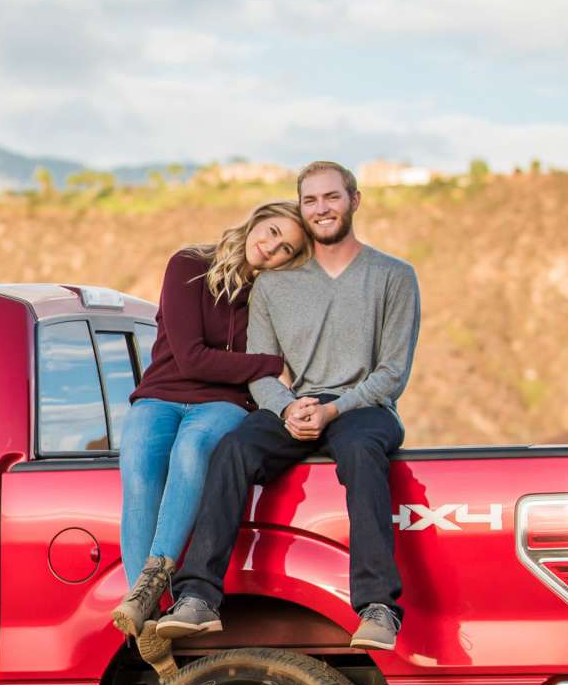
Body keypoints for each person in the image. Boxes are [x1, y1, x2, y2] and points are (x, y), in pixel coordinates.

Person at [154, 159, 422, 651]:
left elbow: (392, 373)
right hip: (290, 407)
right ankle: (196, 598)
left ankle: (377, 606)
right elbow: (262, 368)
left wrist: (332, 410)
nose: (322, 208)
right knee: (232, 450)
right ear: (302, 206)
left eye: (332, 197)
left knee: (362, 454)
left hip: (361, 408)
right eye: (311, 200)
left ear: (354, 200)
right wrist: (285, 409)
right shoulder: (274, 285)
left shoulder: (394, 276)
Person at [109, 201, 309, 638]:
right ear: (257, 220)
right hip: (161, 396)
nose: (271, 247)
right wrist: (268, 362)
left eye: (286, 249)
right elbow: (190, 357)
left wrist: (260, 366)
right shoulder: (189, 266)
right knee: (139, 465)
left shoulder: (268, 298)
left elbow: (214, 364)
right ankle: (146, 620)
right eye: (272, 232)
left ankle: (150, 585)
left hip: (223, 403)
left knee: (194, 449)